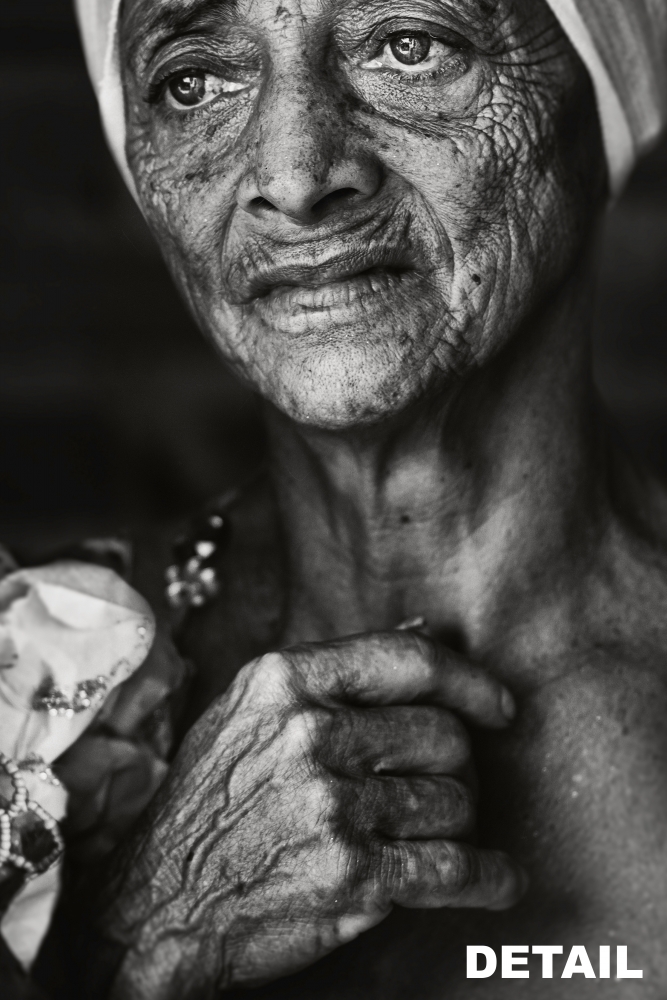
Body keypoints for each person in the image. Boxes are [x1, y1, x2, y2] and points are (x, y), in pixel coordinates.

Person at [28, 0, 667, 996]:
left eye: (409, 46)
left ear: (600, 100)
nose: (294, 175)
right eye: (194, 79)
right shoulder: (32, 690)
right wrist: (138, 933)